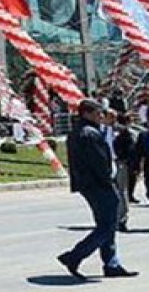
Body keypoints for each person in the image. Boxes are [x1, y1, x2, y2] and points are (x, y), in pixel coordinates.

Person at [58, 99, 138, 279]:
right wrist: (108, 180)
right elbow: (99, 163)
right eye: (98, 113)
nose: (101, 116)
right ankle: (74, 256)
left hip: (88, 184)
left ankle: (111, 264)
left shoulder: (77, 131)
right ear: (87, 113)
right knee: (108, 226)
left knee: (106, 224)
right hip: (99, 185)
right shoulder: (90, 133)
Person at [106, 110, 136, 232]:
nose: (108, 119)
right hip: (105, 164)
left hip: (119, 163)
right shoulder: (98, 130)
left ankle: (122, 219)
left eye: (111, 116)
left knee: (121, 190)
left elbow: (130, 147)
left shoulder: (122, 131)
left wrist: (125, 160)